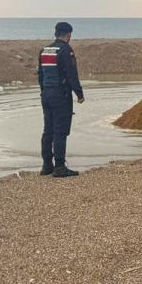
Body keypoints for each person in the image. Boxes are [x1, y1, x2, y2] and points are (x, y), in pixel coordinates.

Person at [38, 21, 84, 178]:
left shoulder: (45, 51)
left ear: (56, 33)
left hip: (46, 95)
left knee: (48, 130)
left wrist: (43, 92)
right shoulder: (66, 50)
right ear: (69, 35)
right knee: (60, 131)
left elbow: (41, 75)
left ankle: (46, 166)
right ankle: (59, 167)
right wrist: (79, 93)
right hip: (60, 96)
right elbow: (71, 74)